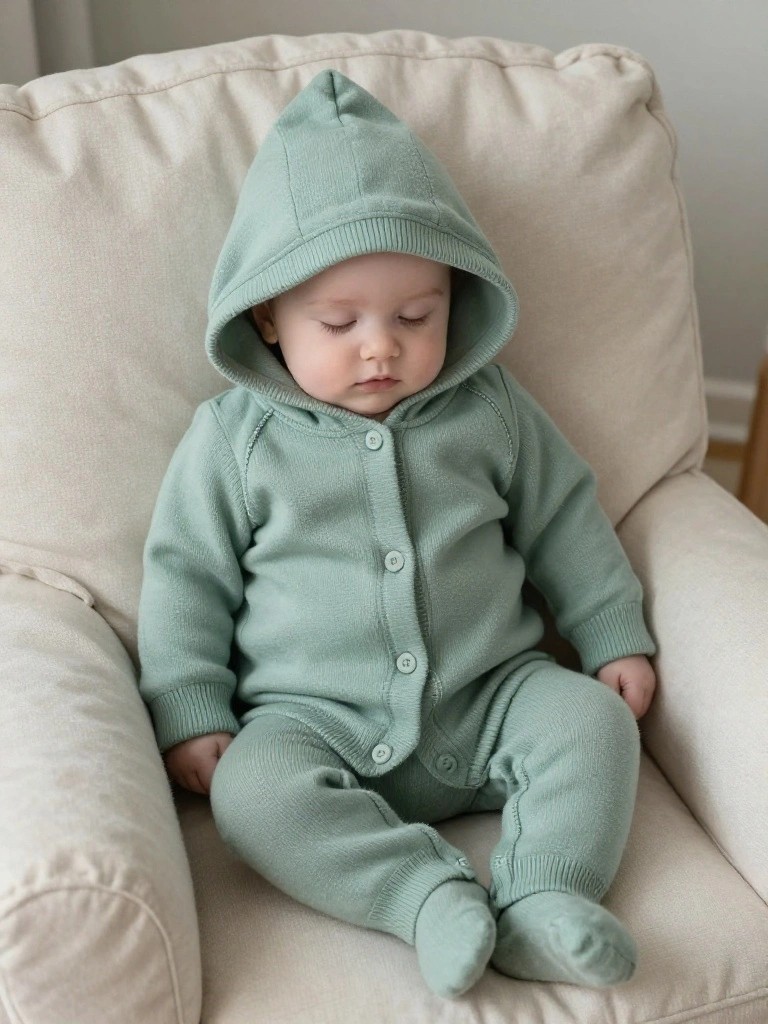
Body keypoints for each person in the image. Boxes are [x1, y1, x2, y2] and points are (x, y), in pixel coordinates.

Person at [137, 69, 657, 1000]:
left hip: (492, 693)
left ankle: (543, 897)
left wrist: (612, 628)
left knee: (593, 721)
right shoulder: (236, 440)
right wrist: (190, 705)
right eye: (340, 322)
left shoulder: (488, 408)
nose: (382, 346)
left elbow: (566, 518)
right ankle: (424, 898)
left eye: (416, 316)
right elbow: (185, 577)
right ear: (268, 314)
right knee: (253, 798)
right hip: (313, 720)